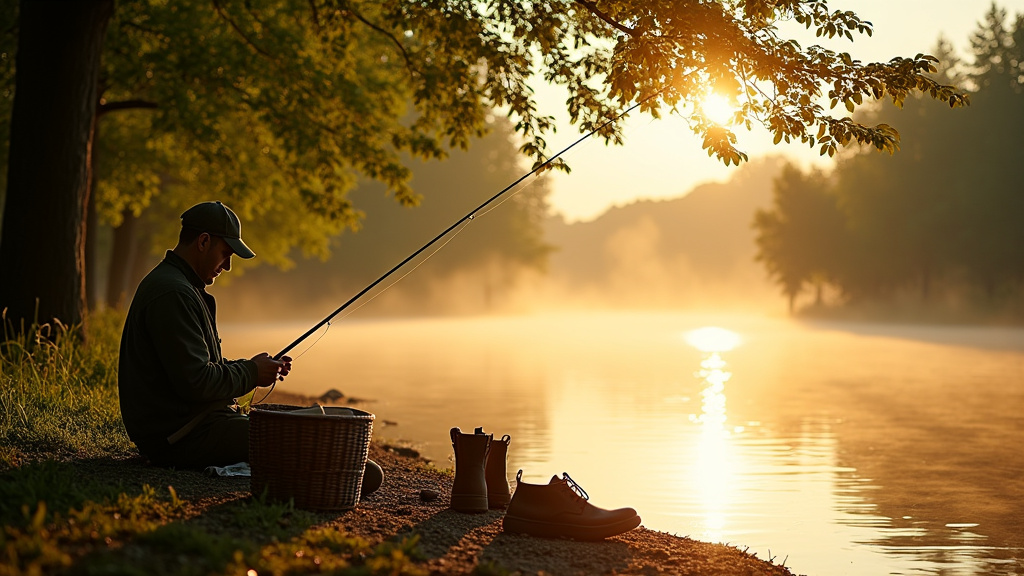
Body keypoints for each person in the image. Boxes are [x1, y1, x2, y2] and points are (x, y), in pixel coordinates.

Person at [117, 201, 382, 494]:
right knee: (363, 471)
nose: (228, 266)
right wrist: (251, 372)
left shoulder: (180, 287)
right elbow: (196, 382)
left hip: (197, 426)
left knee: (322, 418)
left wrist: (253, 367)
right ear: (203, 241)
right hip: (183, 437)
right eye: (226, 254)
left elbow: (198, 370)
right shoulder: (173, 293)